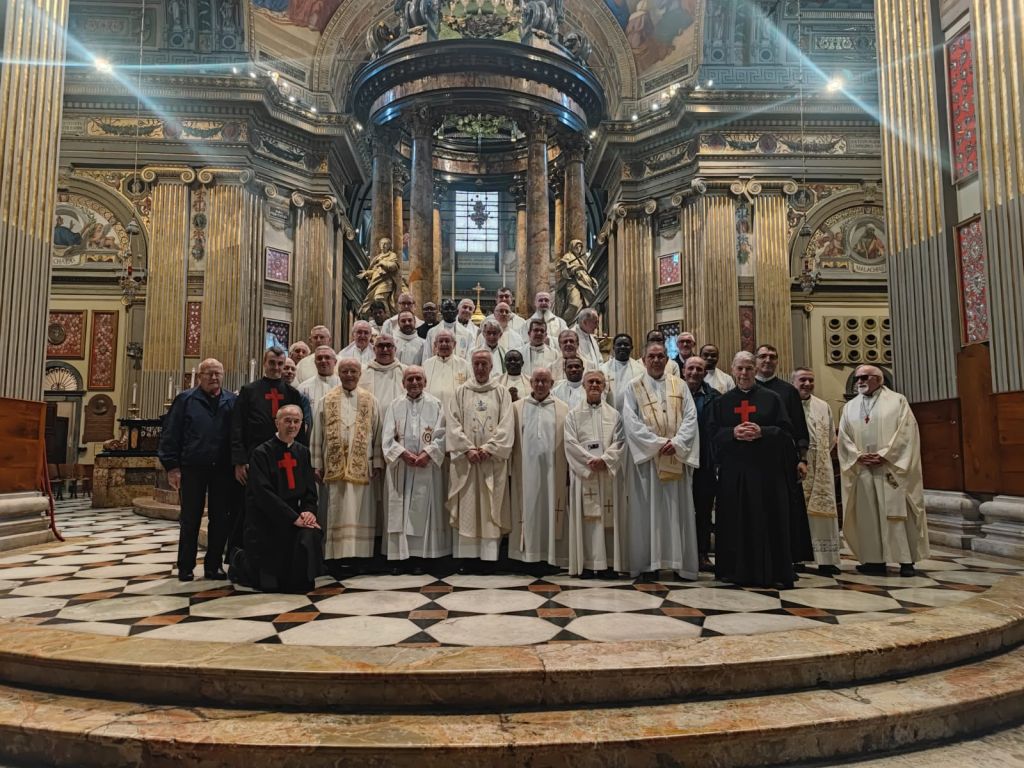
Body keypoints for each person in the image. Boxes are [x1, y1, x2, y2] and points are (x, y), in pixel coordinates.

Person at [708, 352, 799, 588]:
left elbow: (787, 432)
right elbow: (712, 434)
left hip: (765, 471)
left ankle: (771, 571)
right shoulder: (722, 402)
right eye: (740, 369)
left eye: (748, 368)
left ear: (754, 369)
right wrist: (732, 433)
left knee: (767, 519)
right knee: (733, 520)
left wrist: (763, 432)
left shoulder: (772, 399)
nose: (744, 374)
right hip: (734, 472)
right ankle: (733, 571)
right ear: (732, 369)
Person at [838, 365, 929, 577]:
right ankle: (873, 560)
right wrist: (858, 455)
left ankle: (906, 561)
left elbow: (906, 433)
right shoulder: (850, 407)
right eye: (857, 377)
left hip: (890, 468)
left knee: (896, 514)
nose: (859, 381)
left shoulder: (897, 401)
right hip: (863, 469)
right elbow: (843, 437)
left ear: (879, 379)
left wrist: (885, 455)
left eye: (864, 377)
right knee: (868, 514)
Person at [621, 341, 700, 580]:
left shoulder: (681, 385)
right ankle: (648, 564)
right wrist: (657, 444)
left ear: (668, 360)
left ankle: (679, 564)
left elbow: (690, 418)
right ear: (643, 360)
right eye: (651, 356)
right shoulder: (633, 387)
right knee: (647, 512)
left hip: (675, 457)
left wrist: (675, 444)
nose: (656, 360)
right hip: (648, 463)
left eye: (661, 356)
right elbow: (630, 422)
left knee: (678, 512)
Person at [229, 405, 323, 593]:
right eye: (287, 420)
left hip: (294, 517)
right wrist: (293, 518)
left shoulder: (303, 452)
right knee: (268, 585)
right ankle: (240, 560)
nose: (292, 425)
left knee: (310, 535)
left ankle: (299, 578)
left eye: (297, 421)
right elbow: (263, 494)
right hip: (267, 520)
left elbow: (310, 492)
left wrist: (308, 512)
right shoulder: (261, 453)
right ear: (277, 423)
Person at [159, 358, 237, 582]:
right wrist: (172, 467)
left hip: (222, 469)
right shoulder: (186, 399)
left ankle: (214, 566)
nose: (214, 377)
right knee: (190, 519)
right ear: (200, 376)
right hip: (192, 467)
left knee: (220, 518)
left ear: (223, 375)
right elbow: (171, 433)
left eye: (218, 373)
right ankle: (186, 566)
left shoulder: (231, 400)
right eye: (209, 373)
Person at [230, 347, 306, 545]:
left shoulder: (292, 393)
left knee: (282, 505)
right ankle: (243, 558)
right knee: (249, 509)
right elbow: (237, 427)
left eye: (280, 364)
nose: (276, 368)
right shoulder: (249, 391)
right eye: (272, 363)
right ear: (264, 363)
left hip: (283, 460)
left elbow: (300, 431)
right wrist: (239, 461)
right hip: (253, 459)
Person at [446, 350, 515, 564]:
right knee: (468, 506)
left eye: (484, 364)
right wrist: (467, 449)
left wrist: (489, 448)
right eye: (477, 364)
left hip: (491, 461)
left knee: (490, 507)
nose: (480, 368)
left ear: (492, 366)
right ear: (471, 366)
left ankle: (488, 557)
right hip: (467, 462)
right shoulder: (460, 392)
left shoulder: (501, 392)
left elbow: (506, 424)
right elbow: (453, 423)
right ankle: (467, 558)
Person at [313, 359, 381, 565]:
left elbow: (377, 432)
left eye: (353, 371)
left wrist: (377, 461)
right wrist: (316, 462)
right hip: (334, 468)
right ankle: (335, 557)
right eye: (345, 371)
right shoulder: (326, 400)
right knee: (335, 509)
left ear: (360, 374)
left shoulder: (370, 400)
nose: (349, 375)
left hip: (362, 467)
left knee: (361, 512)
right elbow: (317, 434)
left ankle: (359, 557)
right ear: (338, 373)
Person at [754, 343, 814, 569]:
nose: (767, 360)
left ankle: (789, 555)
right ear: (755, 360)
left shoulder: (788, 391)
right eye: (763, 357)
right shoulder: (746, 389)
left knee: (786, 508)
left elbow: (799, 427)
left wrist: (802, 458)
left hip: (782, 459)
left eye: (772, 356)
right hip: (753, 460)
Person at [383, 366, 449, 563]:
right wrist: (402, 454)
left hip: (426, 467)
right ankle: (400, 557)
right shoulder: (395, 405)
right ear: (403, 383)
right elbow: (386, 437)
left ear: (425, 382)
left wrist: (428, 454)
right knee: (400, 511)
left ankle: (425, 556)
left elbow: (443, 434)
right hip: (402, 468)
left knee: (426, 511)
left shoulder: (436, 404)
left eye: (418, 379)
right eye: (409, 379)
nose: (414, 383)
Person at [564, 371, 626, 578]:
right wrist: (589, 462)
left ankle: (608, 563)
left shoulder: (614, 414)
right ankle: (588, 564)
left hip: (607, 474)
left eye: (598, 382)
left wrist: (605, 460)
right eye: (590, 381)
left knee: (609, 519)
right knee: (587, 520)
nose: (594, 385)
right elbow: (570, 443)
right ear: (583, 385)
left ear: (604, 386)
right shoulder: (573, 415)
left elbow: (620, 442)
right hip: (585, 476)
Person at [508, 368, 568, 571]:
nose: (541, 385)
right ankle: (528, 556)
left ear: (552, 384)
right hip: (525, 470)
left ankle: (550, 555)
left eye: (545, 381)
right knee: (528, 507)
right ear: (531, 383)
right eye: (537, 381)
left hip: (553, 470)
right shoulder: (517, 408)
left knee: (552, 507)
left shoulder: (563, 409)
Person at [792, 368, 842, 575]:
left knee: (823, 512)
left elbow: (831, 436)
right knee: (798, 512)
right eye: (802, 380)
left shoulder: (823, 406)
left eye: (811, 380)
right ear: (793, 381)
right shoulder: (787, 403)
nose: (807, 384)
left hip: (820, 464)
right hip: (796, 465)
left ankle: (826, 559)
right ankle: (797, 557)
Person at [682, 355, 719, 573]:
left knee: (703, 509)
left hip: (705, 460)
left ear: (705, 372)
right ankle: (679, 551)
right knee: (678, 507)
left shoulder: (714, 397)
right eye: (691, 368)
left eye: (699, 369)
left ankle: (702, 553)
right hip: (678, 459)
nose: (694, 372)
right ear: (683, 370)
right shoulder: (673, 392)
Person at [422, 330, 471, 410]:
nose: (444, 344)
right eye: (441, 341)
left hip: (455, 411)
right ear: (435, 345)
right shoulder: (426, 365)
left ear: (454, 344)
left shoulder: (464, 365)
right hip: (431, 410)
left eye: (447, 341)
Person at [358, 237, 404, 317]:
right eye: (382, 243)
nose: (383, 245)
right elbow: (375, 271)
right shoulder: (377, 258)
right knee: (373, 301)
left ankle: (387, 318)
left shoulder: (392, 255)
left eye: (386, 244)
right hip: (375, 282)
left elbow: (394, 266)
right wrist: (366, 273)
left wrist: (382, 263)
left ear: (389, 245)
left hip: (385, 281)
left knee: (379, 298)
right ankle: (377, 318)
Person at [555, 238, 598, 323]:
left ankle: (579, 324)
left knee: (584, 307)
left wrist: (591, 280)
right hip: (573, 284)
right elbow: (564, 271)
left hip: (584, 285)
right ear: (572, 247)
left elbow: (585, 273)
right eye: (576, 247)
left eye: (580, 247)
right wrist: (574, 269)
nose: (579, 249)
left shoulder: (582, 260)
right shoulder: (567, 257)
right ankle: (564, 324)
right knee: (574, 304)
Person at [361, 334, 406, 411]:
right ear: (374, 349)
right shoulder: (363, 372)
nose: (385, 349)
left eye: (389, 346)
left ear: (395, 349)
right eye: (381, 346)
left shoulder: (406, 371)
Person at [601, 333, 645, 411]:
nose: (622, 347)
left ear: (631, 347)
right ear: (613, 347)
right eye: (619, 344)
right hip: (610, 415)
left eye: (626, 344)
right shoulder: (603, 370)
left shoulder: (640, 370)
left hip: (633, 414)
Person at [297, 346, 340, 415]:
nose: (323, 361)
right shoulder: (303, 388)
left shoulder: (344, 385)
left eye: (327, 357)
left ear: (335, 362)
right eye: (319, 358)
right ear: (315, 362)